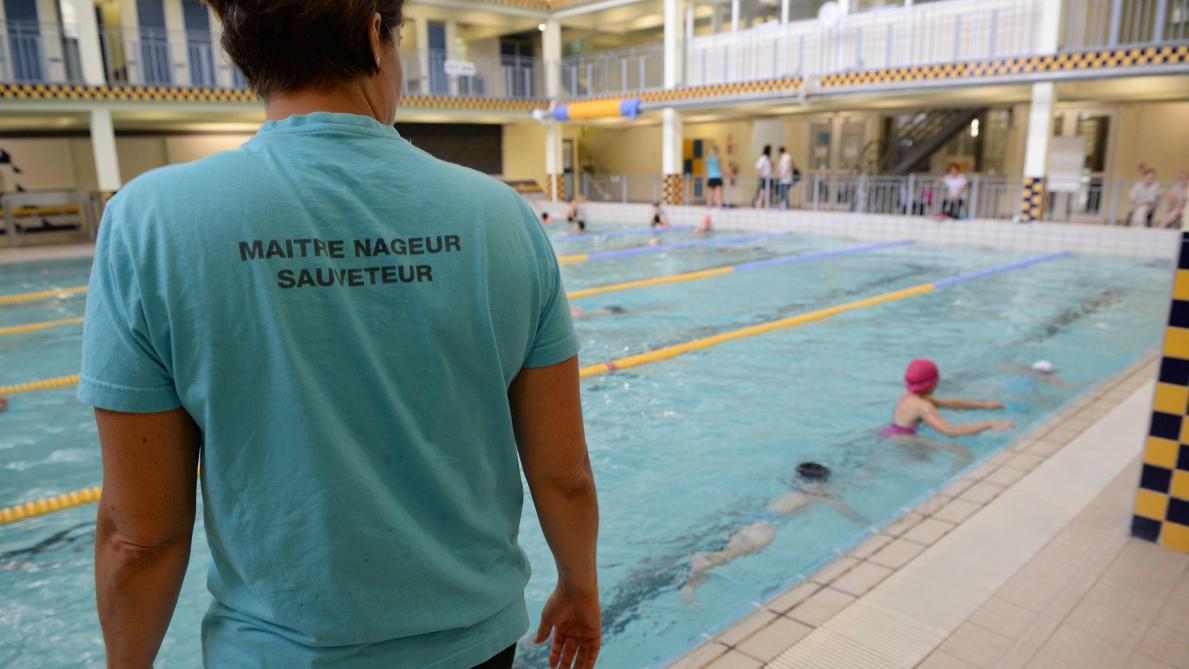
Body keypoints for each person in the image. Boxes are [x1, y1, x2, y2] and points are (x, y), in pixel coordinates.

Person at [78, 2, 601, 668]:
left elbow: (137, 534)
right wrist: (579, 585)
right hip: (474, 642)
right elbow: (564, 474)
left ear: (246, 54)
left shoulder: (146, 222)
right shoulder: (502, 216)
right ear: (372, 36)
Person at [682, 463, 863, 597]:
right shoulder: (815, 495)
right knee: (731, 553)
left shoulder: (792, 489)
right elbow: (845, 510)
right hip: (761, 524)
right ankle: (697, 574)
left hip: (749, 514)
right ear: (818, 484)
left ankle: (697, 572)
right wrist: (864, 523)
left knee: (727, 547)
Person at [881, 359, 1014, 438]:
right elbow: (950, 431)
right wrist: (990, 424)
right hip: (903, 440)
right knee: (961, 451)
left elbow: (953, 403)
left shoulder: (911, 398)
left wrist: (984, 405)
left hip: (889, 432)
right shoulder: (924, 406)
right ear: (933, 383)